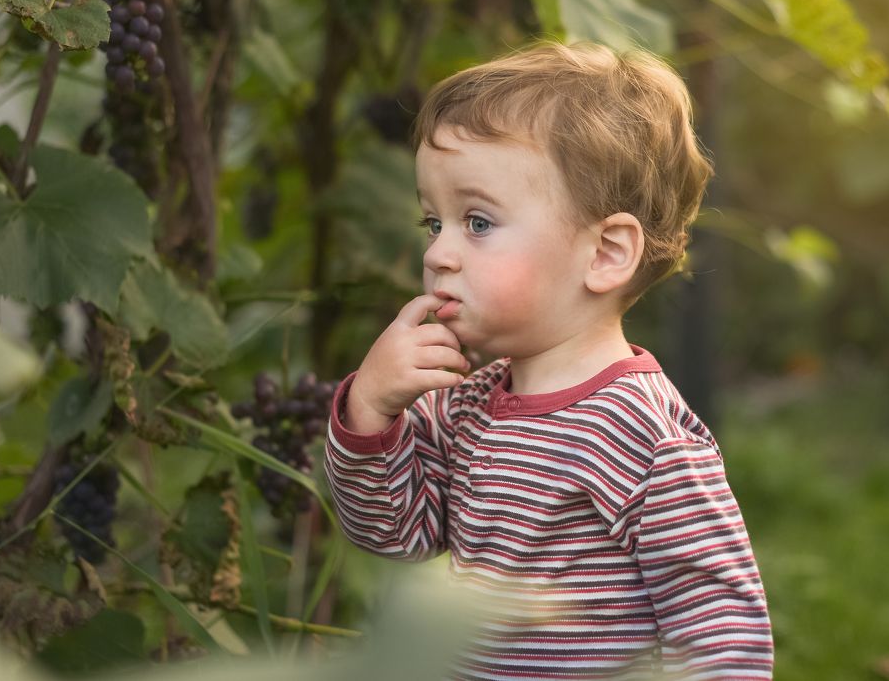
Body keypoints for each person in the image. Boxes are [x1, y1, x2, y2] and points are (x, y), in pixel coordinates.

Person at [323, 41, 774, 680]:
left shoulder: (643, 435)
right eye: (434, 223)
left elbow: (719, 624)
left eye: (477, 222)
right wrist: (369, 410)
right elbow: (395, 534)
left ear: (606, 253)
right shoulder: (464, 402)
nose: (439, 254)